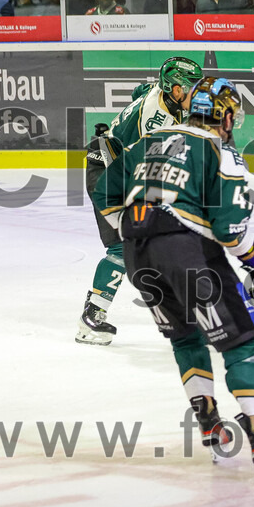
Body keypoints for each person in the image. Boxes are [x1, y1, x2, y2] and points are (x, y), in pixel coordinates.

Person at [91, 76, 254, 484]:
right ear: (224, 116)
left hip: (139, 257)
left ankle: (210, 424)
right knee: (241, 341)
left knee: (186, 338)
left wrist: (134, 226)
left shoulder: (149, 140)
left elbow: (105, 189)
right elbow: (230, 230)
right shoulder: (218, 150)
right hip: (187, 254)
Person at [76, 57, 204, 345]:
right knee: (124, 246)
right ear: (173, 89)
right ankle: (91, 317)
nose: (196, 94)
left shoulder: (164, 97)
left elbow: (139, 91)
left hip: (118, 165)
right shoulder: (157, 121)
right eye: (190, 88)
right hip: (108, 173)